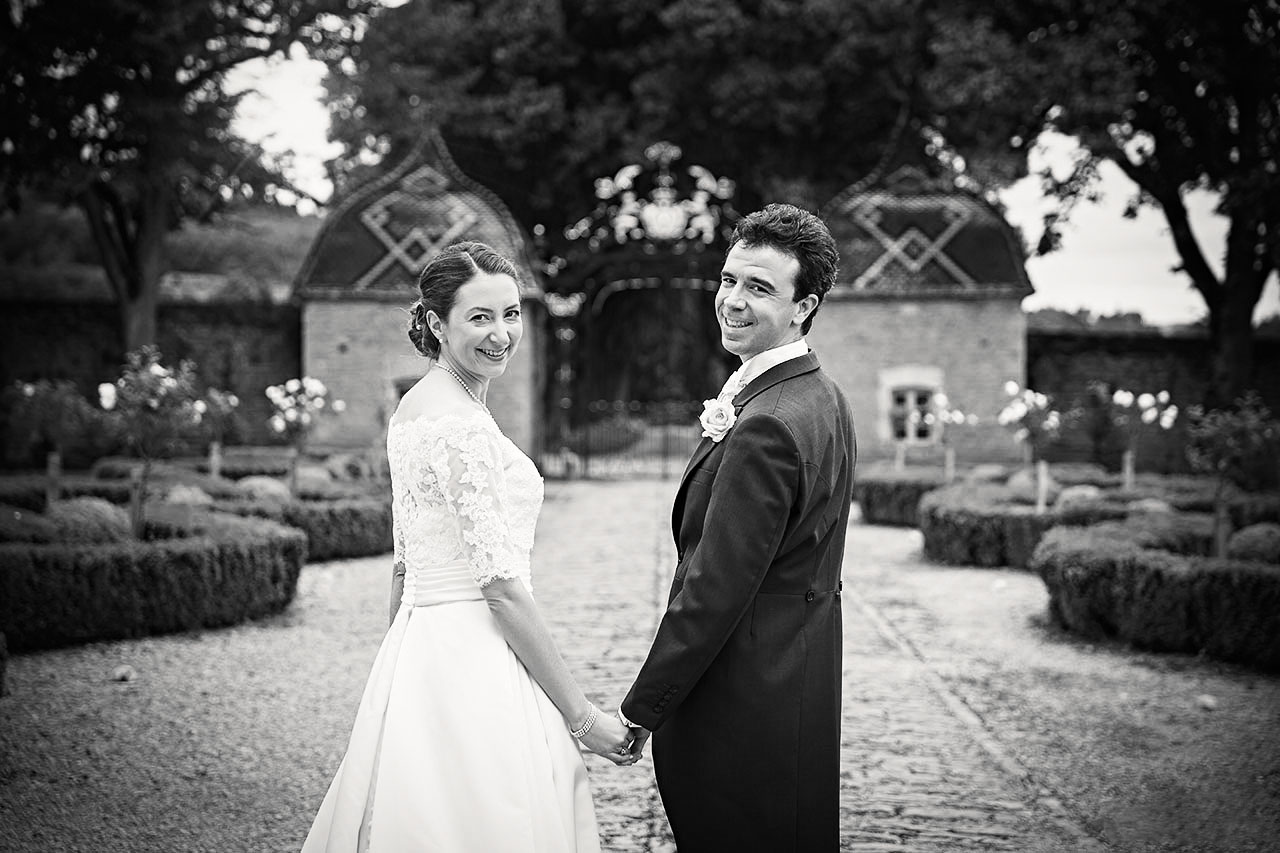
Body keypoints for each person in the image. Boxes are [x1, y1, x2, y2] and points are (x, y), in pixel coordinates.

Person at [301, 241, 634, 853]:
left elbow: (404, 566)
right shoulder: (458, 423)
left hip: (423, 644)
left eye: (510, 314)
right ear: (436, 323)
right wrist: (583, 718)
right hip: (475, 654)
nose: (502, 334)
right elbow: (502, 589)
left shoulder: (414, 410)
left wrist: (400, 670)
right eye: (480, 317)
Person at [617, 204, 856, 852]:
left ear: (804, 305)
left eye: (759, 287)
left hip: (744, 698)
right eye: (729, 280)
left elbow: (713, 590)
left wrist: (642, 706)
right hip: (799, 683)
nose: (733, 301)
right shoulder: (822, 393)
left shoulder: (768, 424)